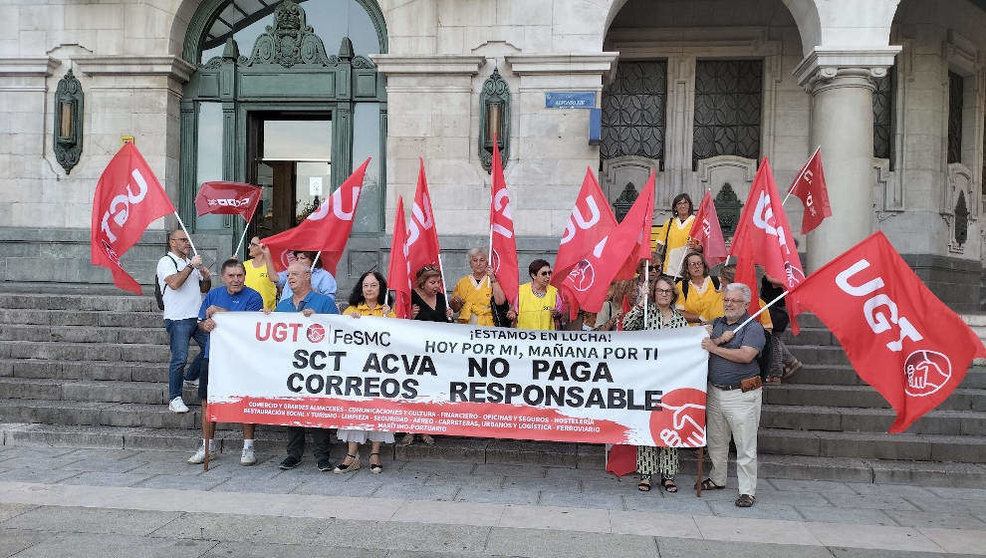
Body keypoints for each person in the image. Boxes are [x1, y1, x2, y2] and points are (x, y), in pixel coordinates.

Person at [188, 259, 264, 465]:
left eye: (239, 275)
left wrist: (222, 313)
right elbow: (200, 322)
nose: (236, 280)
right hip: (213, 355)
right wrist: (208, 324)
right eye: (231, 276)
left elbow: (250, 325)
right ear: (223, 277)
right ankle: (208, 445)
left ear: (245, 277)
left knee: (245, 398)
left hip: (242, 358)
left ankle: (248, 446)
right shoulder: (213, 295)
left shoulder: (254, 297)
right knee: (206, 400)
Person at [699, 282, 767, 508]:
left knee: (745, 444)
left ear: (746, 304)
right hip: (716, 392)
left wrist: (714, 348)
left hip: (742, 394)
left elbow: (746, 356)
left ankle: (747, 491)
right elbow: (702, 344)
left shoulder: (753, 328)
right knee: (716, 441)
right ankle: (717, 479)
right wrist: (717, 340)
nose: (729, 304)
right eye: (726, 300)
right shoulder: (717, 325)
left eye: (735, 300)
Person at [269, 261, 339, 471]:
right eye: (289, 275)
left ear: (308, 276)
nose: (290, 278)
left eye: (295, 274)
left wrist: (318, 319)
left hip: (317, 364)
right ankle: (293, 454)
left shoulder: (324, 302)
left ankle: (322, 456)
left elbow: (337, 330)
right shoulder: (283, 305)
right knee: (293, 408)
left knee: (318, 408)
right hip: (291, 365)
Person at [623, 275, 688, 493]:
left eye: (667, 291)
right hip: (647, 380)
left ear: (673, 294)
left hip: (672, 382)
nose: (663, 294)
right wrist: (641, 302)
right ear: (654, 293)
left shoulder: (680, 320)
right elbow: (627, 326)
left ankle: (668, 475)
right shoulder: (645, 314)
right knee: (647, 425)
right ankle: (646, 473)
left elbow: (688, 348)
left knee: (669, 425)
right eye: (660, 291)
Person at [335, 271, 396, 474]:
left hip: (380, 369)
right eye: (366, 285)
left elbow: (399, 339)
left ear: (381, 289)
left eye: (373, 285)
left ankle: (375, 453)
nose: (369, 289)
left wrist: (391, 319)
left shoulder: (388, 311)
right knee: (354, 408)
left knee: (379, 407)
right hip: (356, 369)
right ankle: (352, 455)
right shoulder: (351, 311)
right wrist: (351, 322)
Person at [158, 229, 211, 414]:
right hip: (177, 318)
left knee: (211, 347)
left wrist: (206, 277)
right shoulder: (166, 262)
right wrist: (191, 267)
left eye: (188, 240)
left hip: (196, 317)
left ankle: (191, 376)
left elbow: (203, 288)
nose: (187, 243)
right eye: (183, 240)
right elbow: (174, 283)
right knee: (179, 358)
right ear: (172, 242)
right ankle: (174, 398)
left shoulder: (189, 262)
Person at [402, 265, 453, 446]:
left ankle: (426, 429)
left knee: (430, 391)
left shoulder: (442, 298)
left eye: (438, 282)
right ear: (422, 283)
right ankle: (410, 429)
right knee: (414, 391)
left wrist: (449, 317)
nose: (437, 286)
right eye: (432, 282)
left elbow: (446, 327)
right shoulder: (411, 296)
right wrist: (409, 316)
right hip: (414, 353)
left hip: (435, 355)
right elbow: (398, 322)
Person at [449, 248, 507, 326]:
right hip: (467, 324)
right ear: (470, 263)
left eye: (482, 260)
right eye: (475, 260)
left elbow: (500, 302)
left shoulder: (492, 280)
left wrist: (493, 279)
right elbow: (455, 309)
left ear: (487, 262)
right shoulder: (463, 282)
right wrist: (456, 302)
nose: (478, 263)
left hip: (488, 324)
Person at [264, 248, 337, 303]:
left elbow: (329, 300)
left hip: (309, 316)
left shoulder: (325, 276)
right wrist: (267, 255)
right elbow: (274, 278)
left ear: (313, 260)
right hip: (286, 312)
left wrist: (312, 294)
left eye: (302, 258)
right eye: (297, 258)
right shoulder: (290, 272)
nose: (299, 261)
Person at [653, 193, 701, 274]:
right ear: (675, 208)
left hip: (690, 268)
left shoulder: (697, 222)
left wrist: (696, 247)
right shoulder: (669, 222)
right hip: (670, 269)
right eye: (679, 203)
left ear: (690, 205)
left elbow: (702, 247)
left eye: (685, 203)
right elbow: (660, 247)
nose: (683, 206)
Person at [508, 259, 563, 330]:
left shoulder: (554, 292)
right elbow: (513, 311)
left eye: (549, 273)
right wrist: (511, 314)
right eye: (544, 273)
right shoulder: (521, 291)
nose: (548, 276)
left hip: (546, 338)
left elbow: (561, 315)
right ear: (534, 275)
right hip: (525, 338)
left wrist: (557, 314)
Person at [675, 252, 720, 324]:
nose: (697, 266)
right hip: (692, 330)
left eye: (699, 263)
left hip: (716, 327)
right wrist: (702, 318)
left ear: (704, 266)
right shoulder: (681, 286)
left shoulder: (718, 281)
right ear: (687, 268)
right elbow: (679, 313)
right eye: (693, 264)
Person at [243, 236, 277, 310]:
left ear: (263, 246)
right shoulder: (243, 265)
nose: (249, 247)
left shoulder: (272, 267)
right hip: (245, 312)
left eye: (253, 244)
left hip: (266, 314)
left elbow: (280, 290)